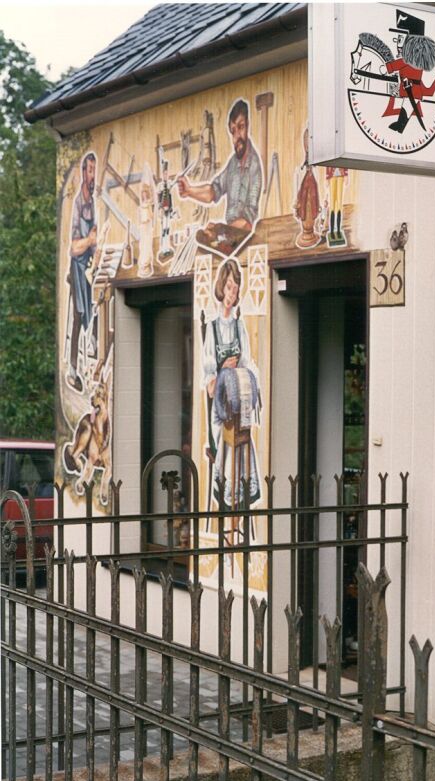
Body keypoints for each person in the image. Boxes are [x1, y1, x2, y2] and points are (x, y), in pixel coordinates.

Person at [203, 259, 261, 510]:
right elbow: (208, 382)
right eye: (228, 287)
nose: (231, 294)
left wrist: (245, 374)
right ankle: (227, 499)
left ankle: (242, 496)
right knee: (227, 436)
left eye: (235, 289)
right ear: (221, 288)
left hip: (238, 401)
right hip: (219, 407)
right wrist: (221, 370)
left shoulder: (239, 327)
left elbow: (248, 362)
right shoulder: (212, 329)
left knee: (244, 437)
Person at [177, 99, 262, 254]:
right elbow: (213, 191)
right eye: (233, 130)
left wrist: (219, 232)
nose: (237, 136)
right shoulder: (232, 164)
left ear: (248, 125)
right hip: (229, 235)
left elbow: (248, 222)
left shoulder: (254, 167)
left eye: (240, 127)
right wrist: (189, 190)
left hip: (245, 242)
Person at [67, 152, 98, 392]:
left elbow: (92, 240)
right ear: (83, 172)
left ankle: (92, 365)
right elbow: (73, 247)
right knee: (79, 313)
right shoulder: (78, 203)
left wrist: (96, 245)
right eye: (89, 170)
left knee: (96, 307)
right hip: (77, 267)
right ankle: (73, 369)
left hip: (89, 265)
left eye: (94, 171)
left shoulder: (93, 203)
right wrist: (89, 241)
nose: (92, 176)